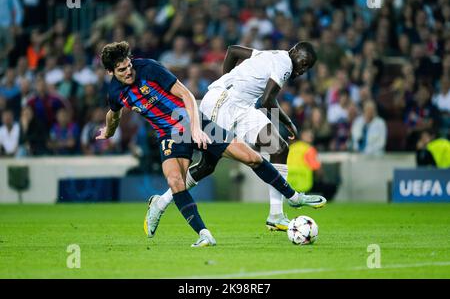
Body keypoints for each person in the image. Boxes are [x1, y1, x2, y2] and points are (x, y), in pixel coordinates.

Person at [96, 41, 326, 247]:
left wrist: (196, 127)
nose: (128, 71)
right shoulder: (115, 92)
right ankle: (202, 232)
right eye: (121, 69)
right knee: (178, 178)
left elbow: (186, 94)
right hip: (172, 133)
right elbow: (113, 115)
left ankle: (291, 200)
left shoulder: (148, 67)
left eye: (128, 66)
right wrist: (108, 131)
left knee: (252, 158)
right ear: (110, 72)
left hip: (195, 120)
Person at [155, 42, 318, 232]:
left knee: (279, 148)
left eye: (308, 67)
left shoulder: (271, 55)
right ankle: (161, 202)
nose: (303, 69)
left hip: (243, 105)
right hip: (223, 103)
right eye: (304, 62)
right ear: (294, 52)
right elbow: (267, 101)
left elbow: (233, 51)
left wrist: (228, 77)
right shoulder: (285, 63)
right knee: (208, 165)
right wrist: (287, 121)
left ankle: (276, 216)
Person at [287, 128, 338, 202]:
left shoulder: (291, 148)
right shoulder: (308, 149)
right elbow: (317, 168)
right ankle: (323, 204)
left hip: (290, 184)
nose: (311, 137)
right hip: (305, 184)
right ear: (302, 136)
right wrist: (321, 177)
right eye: (309, 135)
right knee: (331, 188)